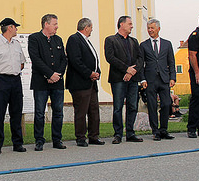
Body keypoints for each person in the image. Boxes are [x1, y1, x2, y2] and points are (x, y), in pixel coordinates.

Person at [0, 17, 27, 155]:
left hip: (15, 80)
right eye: (15, 27)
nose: (17, 29)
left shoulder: (17, 45)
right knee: (0, 114)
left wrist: (13, 71)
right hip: (1, 81)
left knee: (16, 113)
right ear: (10, 28)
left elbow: (22, 63)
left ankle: (17, 143)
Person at [27, 14, 67, 151]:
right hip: (41, 82)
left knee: (58, 112)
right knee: (39, 113)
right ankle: (39, 140)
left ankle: (57, 139)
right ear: (46, 24)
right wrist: (49, 74)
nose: (57, 27)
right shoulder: (34, 38)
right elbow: (36, 59)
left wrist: (57, 75)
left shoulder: (58, 39)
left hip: (57, 82)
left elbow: (63, 60)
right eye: (54, 24)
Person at [104, 16, 144, 144]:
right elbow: (110, 57)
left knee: (132, 106)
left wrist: (132, 71)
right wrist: (126, 69)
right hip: (118, 79)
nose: (132, 26)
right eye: (130, 24)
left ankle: (130, 132)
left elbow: (140, 58)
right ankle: (118, 134)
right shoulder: (111, 40)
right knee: (118, 106)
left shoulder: (134, 41)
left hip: (133, 79)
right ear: (121, 24)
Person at [66, 17, 104, 147]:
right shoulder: (74, 39)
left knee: (94, 110)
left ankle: (94, 136)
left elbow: (93, 59)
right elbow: (75, 61)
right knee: (81, 112)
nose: (92, 30)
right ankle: (81, 137)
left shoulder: (86, 41)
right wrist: (89, 73)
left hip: (91, 83)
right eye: (91, 27)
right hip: (80, 83)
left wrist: (97, 72)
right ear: (86, 27)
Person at [139, 19, 176, 141]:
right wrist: (142, 79)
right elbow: (141, 64)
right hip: (150, 80)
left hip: (164, 79)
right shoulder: (144, 45)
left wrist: (172, 77)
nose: (150, 30)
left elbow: (171, 62)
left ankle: (164, 129)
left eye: (152, 28)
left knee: (166, 104)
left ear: (158, 29)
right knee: (152, 105)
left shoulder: (167, 44)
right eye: (148, 28)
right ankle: (155, 131)